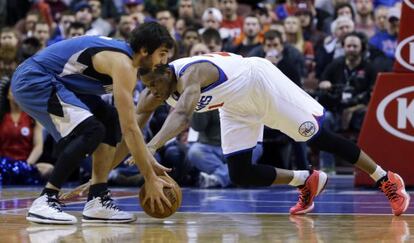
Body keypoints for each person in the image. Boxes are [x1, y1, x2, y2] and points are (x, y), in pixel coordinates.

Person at [134, 52, 409, 216]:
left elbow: (181, 117)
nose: (154, 91)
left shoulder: (192, 74)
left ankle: (386, 179)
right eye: (148, 86)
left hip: (259, 83)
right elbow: (129, 128)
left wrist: (153, 145)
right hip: (233, 105)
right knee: (240, 173)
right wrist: (99, 182)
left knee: (318, 138)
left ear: (167, 68)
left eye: (156, 83)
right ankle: (306, 180)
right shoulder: (154, 91)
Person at [11, 22, 175, 224]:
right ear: (144, 50)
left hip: (59, 83)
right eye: (162, 53)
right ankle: (46, 199)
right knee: (91, 131)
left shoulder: (126, 60)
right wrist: (149, 177)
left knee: (109, 118)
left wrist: (148, 163)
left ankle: (97, 199)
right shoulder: (123, 64)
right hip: (34, 78)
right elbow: (131, 128)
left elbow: (127, 126)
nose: (165, 61)